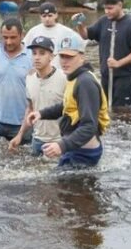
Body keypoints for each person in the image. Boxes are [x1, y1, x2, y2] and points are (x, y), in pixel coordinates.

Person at [26, 34, 109, 168]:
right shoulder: (74, 78)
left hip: (83, 154)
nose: (64, 61)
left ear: (82, 57)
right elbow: (68, 106)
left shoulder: (85, 82)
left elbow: (89, 126)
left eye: (70, 57)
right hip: (75, 149)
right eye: (62, 56)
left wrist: (61, 145)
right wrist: (42, 113)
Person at [73, 0, 131, 114]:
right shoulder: (103, 21)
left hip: (124, 77)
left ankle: (124, 131)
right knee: (105, 108)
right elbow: (85, 35)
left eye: (110, 8)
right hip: (106, 75)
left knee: (122, 111)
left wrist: (119, 63)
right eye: (105, 9)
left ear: (120, 5)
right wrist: (79, 24)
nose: (107, 12)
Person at [9, 36, 66, 156]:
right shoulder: (29, 79)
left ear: (51, 56)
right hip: (37, 140)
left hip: (59, 142)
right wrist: (20, 135)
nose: (37, 57)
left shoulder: (64, 78)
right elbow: (30, 109)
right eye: (34, 53)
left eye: (42, 53)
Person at [22, 2, 83, 68]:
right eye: (44, 16)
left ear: (56, 15)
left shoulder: (66, 31)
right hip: (39, 71)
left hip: (59, 70)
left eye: (50, 15)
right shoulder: (33, 31)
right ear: (40, 17)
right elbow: (23, 49)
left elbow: (80, 46)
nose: (47, 19)